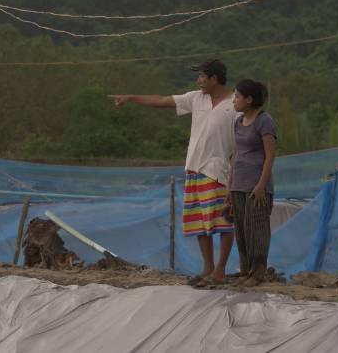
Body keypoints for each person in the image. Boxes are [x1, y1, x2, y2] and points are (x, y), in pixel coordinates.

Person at [109, 59, 238, 286]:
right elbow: (162, 100)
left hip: (217, 170)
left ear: (214, 78)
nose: (198, 81)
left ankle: (220, 269)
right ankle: (208, 267)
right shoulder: (197, 98)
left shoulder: (234, 103)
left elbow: (240, 143)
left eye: (201, 77)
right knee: (200, 222)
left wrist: (235, 177)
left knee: (223, 222)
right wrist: (131, 98)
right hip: (194, 167)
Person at [226, 79, 277, 286]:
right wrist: (230, 187)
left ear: (249, 99)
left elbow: (270, 156)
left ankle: (258, 272)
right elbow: (236, 155)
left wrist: (261, 186)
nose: (234, 100)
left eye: (237, 96)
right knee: (241, 230)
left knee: (256, 228)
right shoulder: (238, 122)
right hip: (239, 183)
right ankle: (245, 270)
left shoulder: (264, 121)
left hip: (257, 185)